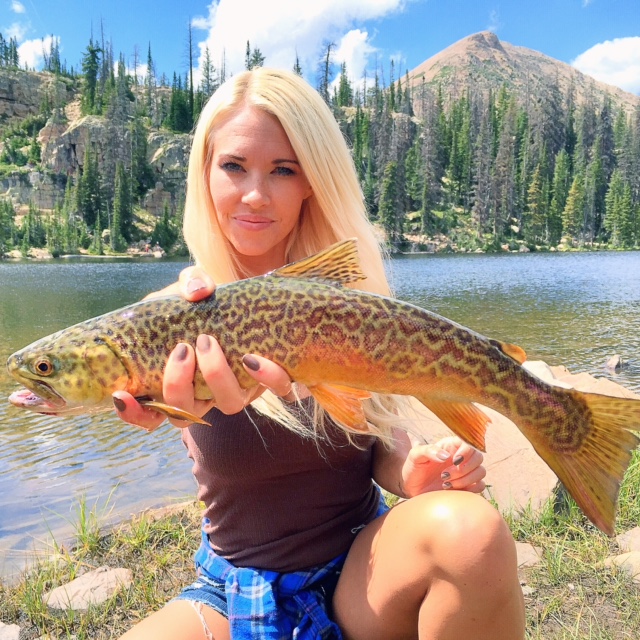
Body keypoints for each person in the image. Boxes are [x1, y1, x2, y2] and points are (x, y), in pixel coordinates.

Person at [114, 68, 525, 640]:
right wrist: (151, 407)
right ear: (204, 173)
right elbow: (115, 392)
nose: (255, 194)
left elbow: (377, 436)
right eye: (233, 166)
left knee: (471, 534)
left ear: (313, 181)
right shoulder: (164, 323)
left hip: (362, 570)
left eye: (283, 170)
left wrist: (411, 471)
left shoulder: (348, 305)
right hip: (235, 586)